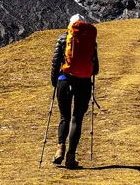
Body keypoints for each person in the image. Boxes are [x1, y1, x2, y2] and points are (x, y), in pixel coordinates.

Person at [50, 14, 99, 169]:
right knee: (77, 118)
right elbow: (95, 68)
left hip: (64, 80)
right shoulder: (91, 41)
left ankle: (60, 148)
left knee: (64, 116)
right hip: (83, 82)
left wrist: (55, 82)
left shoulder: (63, 39)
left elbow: (55, 62)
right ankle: (71, 157)